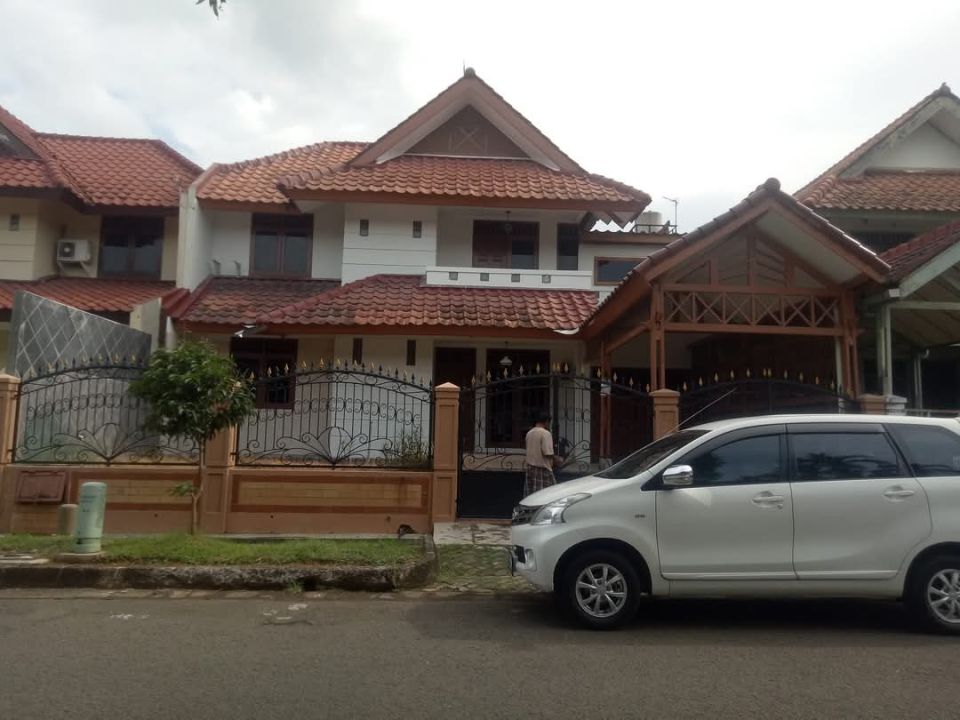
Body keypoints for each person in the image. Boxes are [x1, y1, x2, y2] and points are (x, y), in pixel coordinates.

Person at [524, 410, 556, 497]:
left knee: (531, 496)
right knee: (546, 496)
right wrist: (557, 458)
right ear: (546, 421)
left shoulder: (529, 433)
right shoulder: (545, 433)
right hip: (542, 469)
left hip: (530, 468)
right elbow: (547, 453)